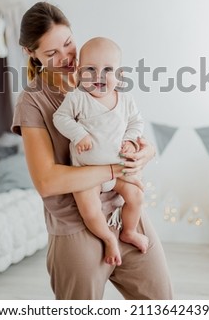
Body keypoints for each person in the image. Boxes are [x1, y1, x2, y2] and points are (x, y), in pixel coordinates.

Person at [12, 1, 173, 300]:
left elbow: (128, 128)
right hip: (76, 224)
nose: (66, 58)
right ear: (30, 53)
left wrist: (144, 152)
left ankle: (124, 233)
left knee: (161, 302)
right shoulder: (32, 100)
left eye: (68, 43)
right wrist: (114, 170)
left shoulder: (102, 75)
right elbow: (47, 181)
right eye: (51, 53)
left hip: (123, 212)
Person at [53, 36, 148, 266]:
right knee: (89, 208)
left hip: (117, 171)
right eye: (90, 69)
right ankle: (108, 238)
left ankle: (129, 231)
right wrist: (79, 134)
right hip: (88, 173)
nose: (98, 76)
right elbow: (60, 118)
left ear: (120, 74)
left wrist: (130, 140)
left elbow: (136, 123)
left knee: (136, 196)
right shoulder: (78, 98)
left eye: (107, 69)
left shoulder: (125, 100)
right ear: (78, 71)